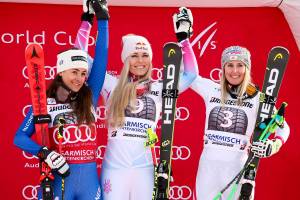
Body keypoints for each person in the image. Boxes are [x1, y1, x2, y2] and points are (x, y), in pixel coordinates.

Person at [89, 7, 196, 200]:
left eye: (145, 55)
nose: (140, 60)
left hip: (145, 168)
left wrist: (183, 38)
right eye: (134, 55)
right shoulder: (110, 84)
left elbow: (190, 74)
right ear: (125, 59)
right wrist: (88, 20)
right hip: (115, 169)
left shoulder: (159, 87)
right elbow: (80, 59)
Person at [186, 14, 290, 200]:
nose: (234, 71)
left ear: (247, 68)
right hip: (208, 167)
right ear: (223, 68)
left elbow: (284, 128)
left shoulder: (259, 98)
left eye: (240, 65)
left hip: (237, 167)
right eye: (230, 65)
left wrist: (273, 145)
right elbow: (190, 74)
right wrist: (184, 40)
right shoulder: (212, 89)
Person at [13, 1, 109, 199]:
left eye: (83, 73)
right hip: (57, 182)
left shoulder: (89, 94)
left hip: (90, 185)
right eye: (74, 72)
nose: (79, 78)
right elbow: (19, 137)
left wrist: (103, 19)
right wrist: (45, 153)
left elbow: (101, 56)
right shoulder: (44, 103)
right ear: (60, 71)